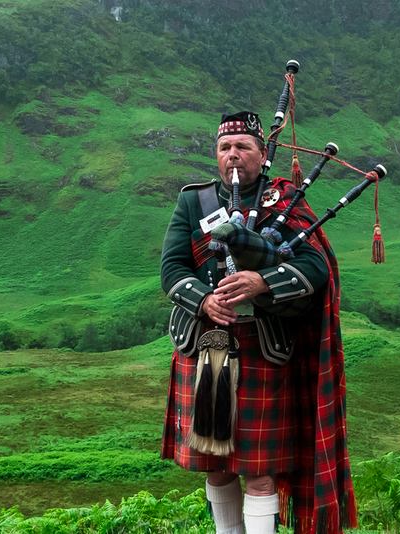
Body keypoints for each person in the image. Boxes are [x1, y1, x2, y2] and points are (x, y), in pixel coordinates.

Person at [160, 111, 357, 534]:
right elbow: (172, 270)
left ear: (261, 153)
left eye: (243, 147)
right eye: (225, 148)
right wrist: (205, 300)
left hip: (264, 347)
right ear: (216, 155)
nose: (233, 156)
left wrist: (260, 282)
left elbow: (315, 268)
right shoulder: (194, 202)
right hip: (206, 344)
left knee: (260, 470)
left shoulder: (285, 201)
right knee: (216, 466)